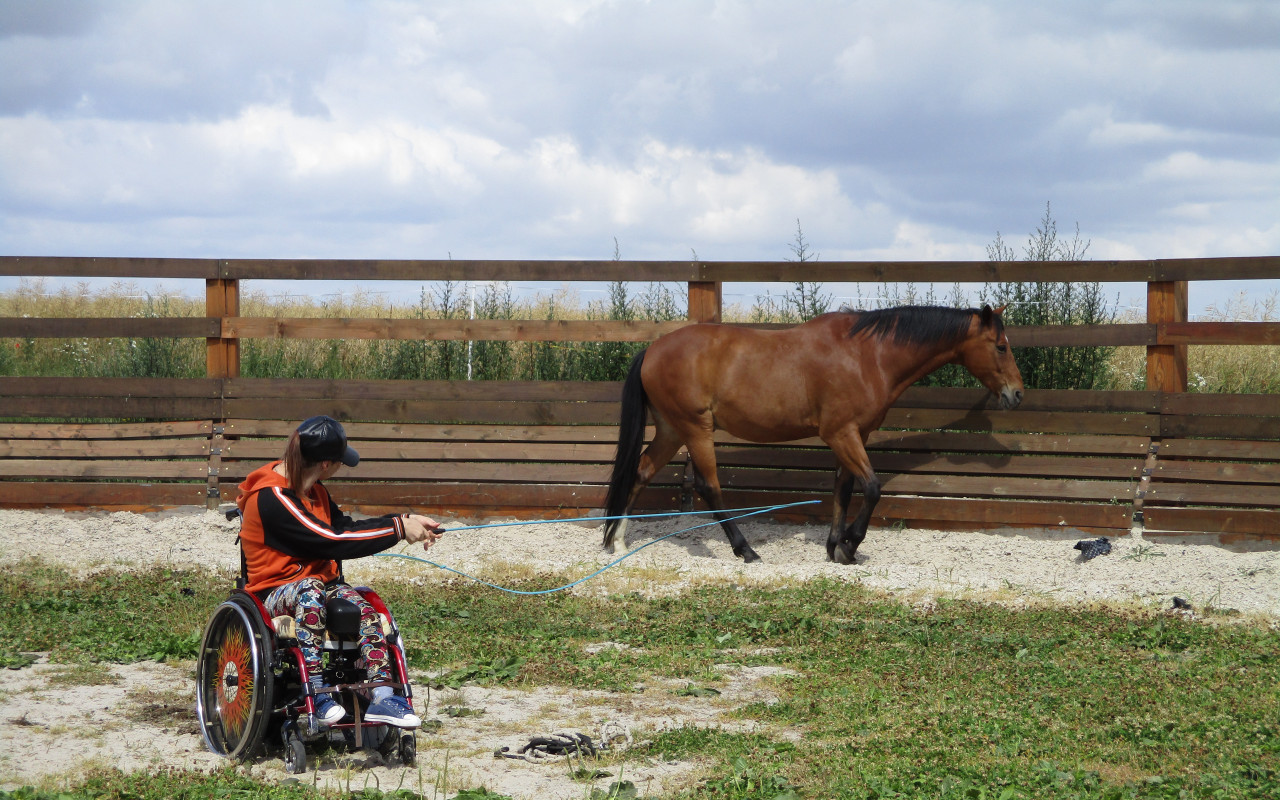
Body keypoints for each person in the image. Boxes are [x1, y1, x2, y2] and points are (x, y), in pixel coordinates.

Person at [236, 415, 443, 728]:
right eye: (339, 463)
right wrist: (398, 530)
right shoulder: (272, 499)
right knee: (310, 590)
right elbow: (330, 541)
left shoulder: (315, 491)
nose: (339, 469)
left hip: (321, 585)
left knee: (366, 610)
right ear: (325, 464)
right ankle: (315, 692)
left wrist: (405, 518)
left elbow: (345, 527)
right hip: (275, 592)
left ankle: (383, 696)